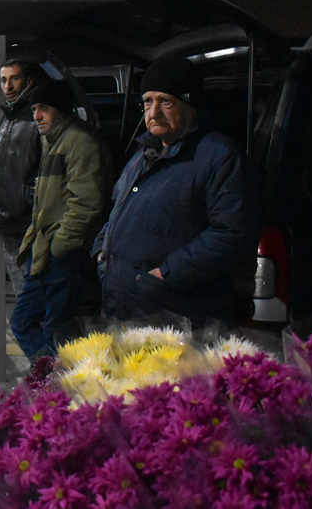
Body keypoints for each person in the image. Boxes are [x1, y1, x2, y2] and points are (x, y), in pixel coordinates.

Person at [94, 54, 260, 326]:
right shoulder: (143, 156)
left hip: (178, 313)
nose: (154, 112)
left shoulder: (219, 157)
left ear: (190, 104)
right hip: (127, 307)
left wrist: (167, 274)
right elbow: (118, 210)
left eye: (166, 101)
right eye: (148, 101)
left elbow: (232, 233)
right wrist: (101, 251)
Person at [10, 81, 112, 357]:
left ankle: (58, 388)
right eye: (33, 109)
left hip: (63, 254)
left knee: (56, 330)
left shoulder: (80, 142)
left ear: (62, 109)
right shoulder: (53, 140)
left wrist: (61, 244)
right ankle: (50, 380)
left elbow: (88, 203)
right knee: (22, 322)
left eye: (44, 108)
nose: (36, 116)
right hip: (45, 250)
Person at [0, 59, 47, 297]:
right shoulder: (11, 115)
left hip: (23, 220)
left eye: (14, 78)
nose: (8, 86)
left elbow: (44, 168)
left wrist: (26, 199)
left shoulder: (34, 117)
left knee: (28, 297)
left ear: (29, 81)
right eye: (3, 80)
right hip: (10, 217)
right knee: (23, 292)